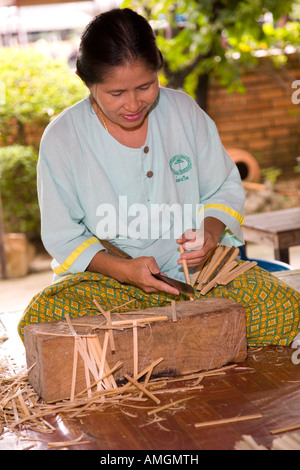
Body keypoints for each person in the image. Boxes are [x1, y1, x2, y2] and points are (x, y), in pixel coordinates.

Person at [18, 8, 300, 347]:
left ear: (158, 69)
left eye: (145, 86)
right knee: (42, 323)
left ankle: (166, 342)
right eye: (116, 94)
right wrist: (126, 271)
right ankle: (189, 339)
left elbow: (223, 187)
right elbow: (63, 235)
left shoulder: (183, 112)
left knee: (287, 310)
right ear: (86, 81)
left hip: (197, 278)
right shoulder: (63, 137)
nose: (133, 103)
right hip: (108, 285)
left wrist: (209, 237)